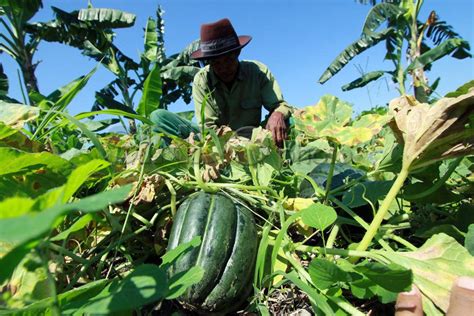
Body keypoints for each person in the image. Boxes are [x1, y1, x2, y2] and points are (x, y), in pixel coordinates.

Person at [151, 18, 293, 147]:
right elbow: (207, 128)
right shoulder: (202, 80)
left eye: (228, 60)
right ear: (209, 62)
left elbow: (280, 105)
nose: (224, 68)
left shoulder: (257, 71)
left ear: (237, 53)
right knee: (158, 117)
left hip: (254, 138)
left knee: (289, 121)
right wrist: (233, 145)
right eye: (216, 63)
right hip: (217, 141)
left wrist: (277, 114)